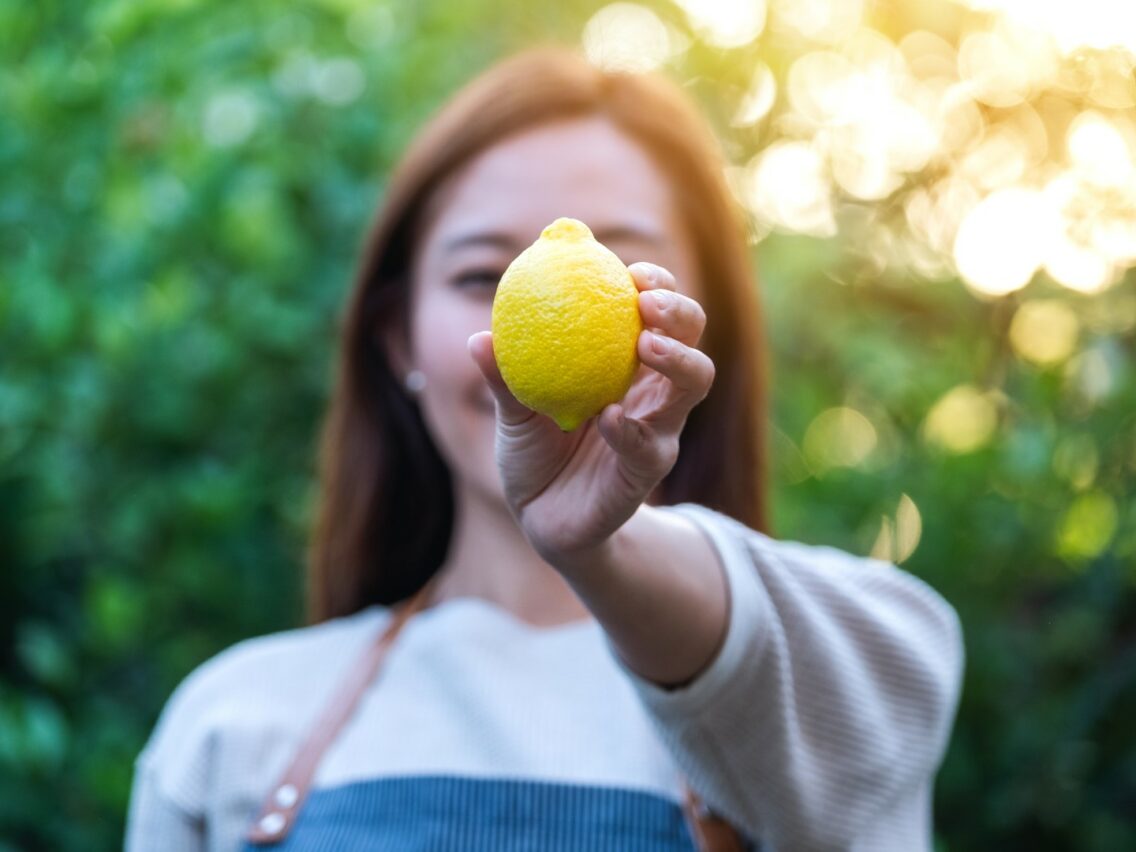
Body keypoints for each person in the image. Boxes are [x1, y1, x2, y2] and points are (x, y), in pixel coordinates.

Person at [125, 47, 964, 851]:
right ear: (398, 342)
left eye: (623, 273)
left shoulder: (847, 678)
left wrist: (601, 548)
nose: (531, 311)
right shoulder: (234, 727)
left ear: (702, 330)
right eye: (481, 275)